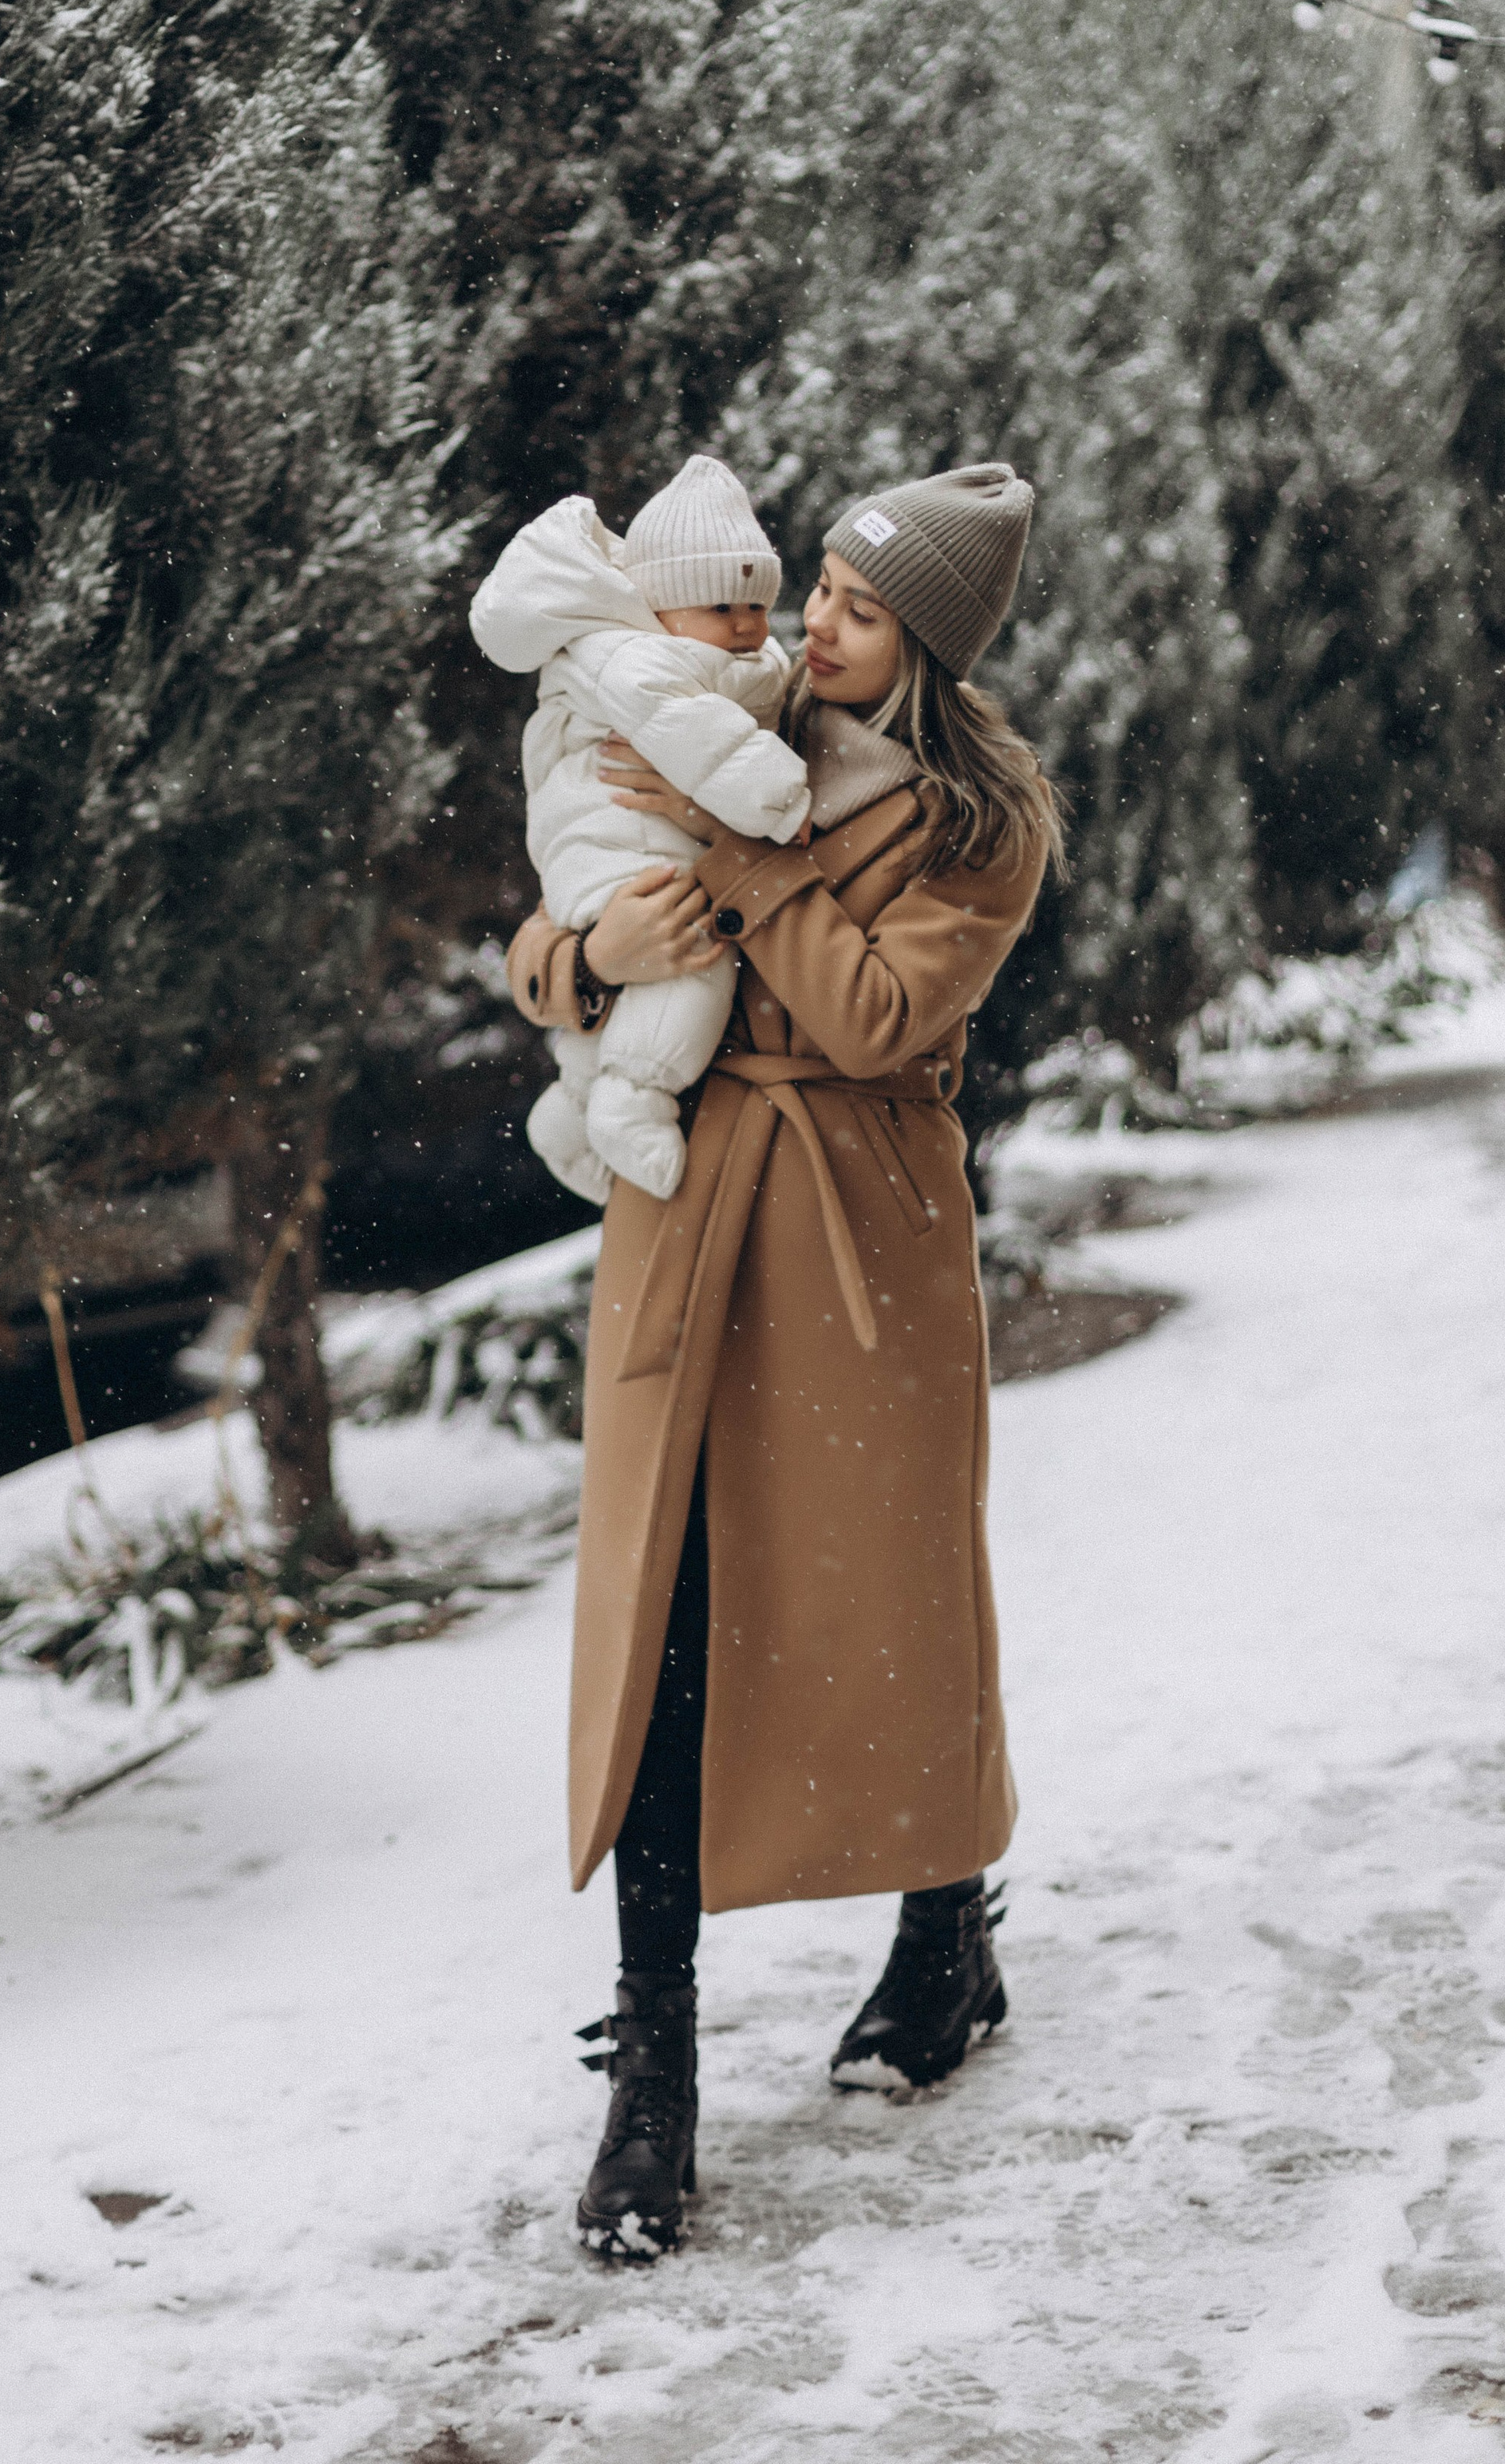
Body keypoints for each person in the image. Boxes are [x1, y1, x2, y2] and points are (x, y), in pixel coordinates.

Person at [504, 460, 1065, 2261]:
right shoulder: (713, 706)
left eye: (858, 609)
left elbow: (874, 1015)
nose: (811, 623)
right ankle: (652, 2069)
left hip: (856, 1227)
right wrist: (589, 953)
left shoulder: (982, 825)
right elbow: (553, 918)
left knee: (888, 1599)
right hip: (682, 1223)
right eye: (816, 584)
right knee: (666, 1632)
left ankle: (944, 1934)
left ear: (928, 650)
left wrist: (737, 859)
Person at [470, 456, 809, 1205]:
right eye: (721, 606)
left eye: (759, 605)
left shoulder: (715, 661)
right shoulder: (637, 660)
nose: (747, 624)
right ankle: (631, 1096)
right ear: (660, 607)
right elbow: (712, 745)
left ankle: (571, 1106)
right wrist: (778, 797)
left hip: (610, 856)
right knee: (693, 961)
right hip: (620, 850)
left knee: (649, 977)